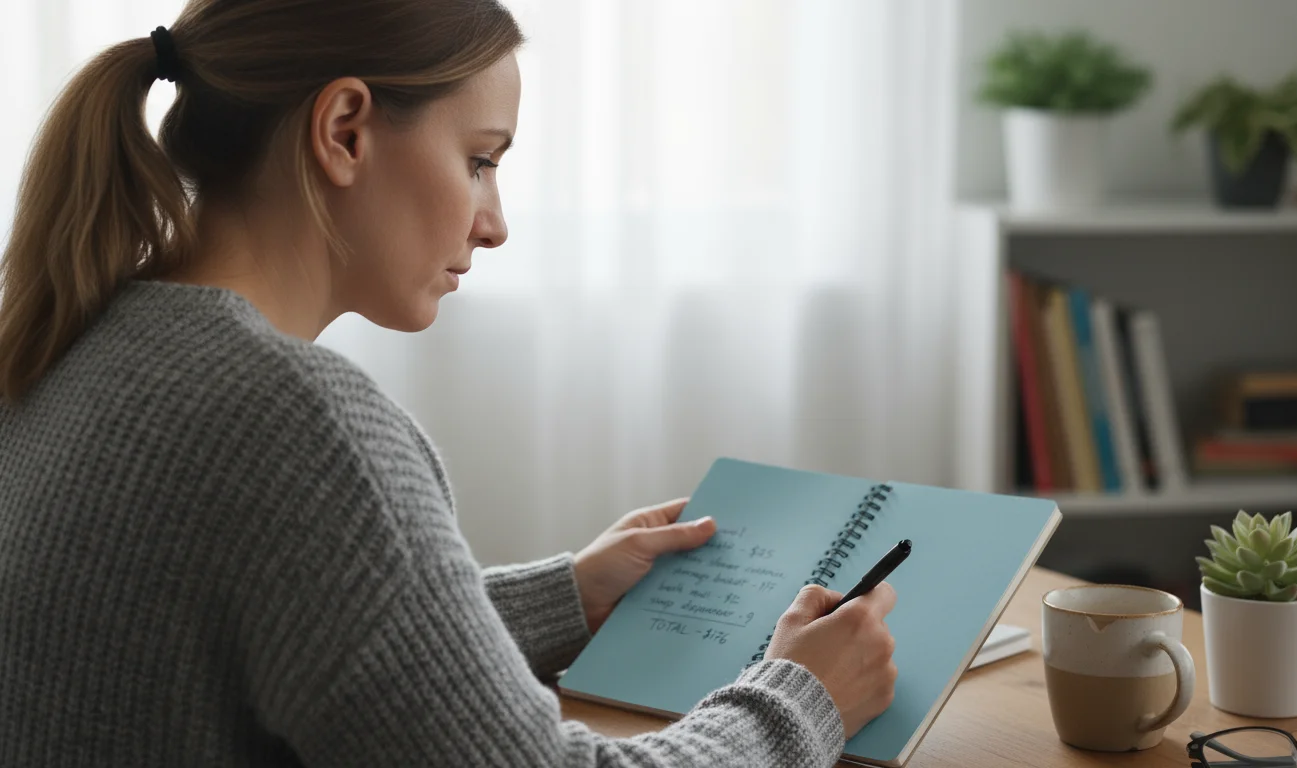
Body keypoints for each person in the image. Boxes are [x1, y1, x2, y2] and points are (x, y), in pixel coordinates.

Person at [0, 1, 899, 765]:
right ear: (344, 129)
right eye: (480, 160)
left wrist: (565, 598)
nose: (494, 224)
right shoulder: (298, 425)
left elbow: (270, 640)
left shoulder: (74, 338)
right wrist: (802, 696)